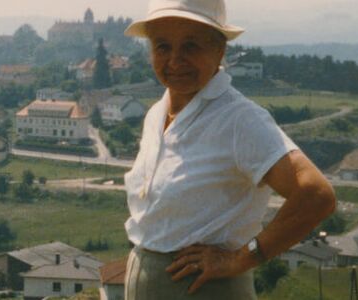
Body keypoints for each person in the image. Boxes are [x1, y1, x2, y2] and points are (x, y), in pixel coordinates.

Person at [120, 0, 336, 299]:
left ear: (219, 50)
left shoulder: (238, 119)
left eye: (191, 46)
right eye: (163, 46)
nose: (175, 60)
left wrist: (241, 258)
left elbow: (316, 195)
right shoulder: (158, 114)